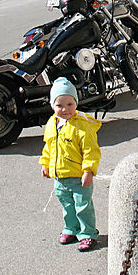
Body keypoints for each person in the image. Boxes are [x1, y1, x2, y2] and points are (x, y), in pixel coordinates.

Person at [39, 77, 101, 252]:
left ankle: (88, 233)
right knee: (67, 205)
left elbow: (91, 150)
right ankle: (71, 228)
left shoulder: (81, 126)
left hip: (78, 176)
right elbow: (48, 146)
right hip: (60, 177)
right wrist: (46, 164)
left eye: (69, 104)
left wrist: (88, 170)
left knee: (83, 206)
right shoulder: (53, 123)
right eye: (59, 105)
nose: (65, 109)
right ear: (52, 106)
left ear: (76, 103)